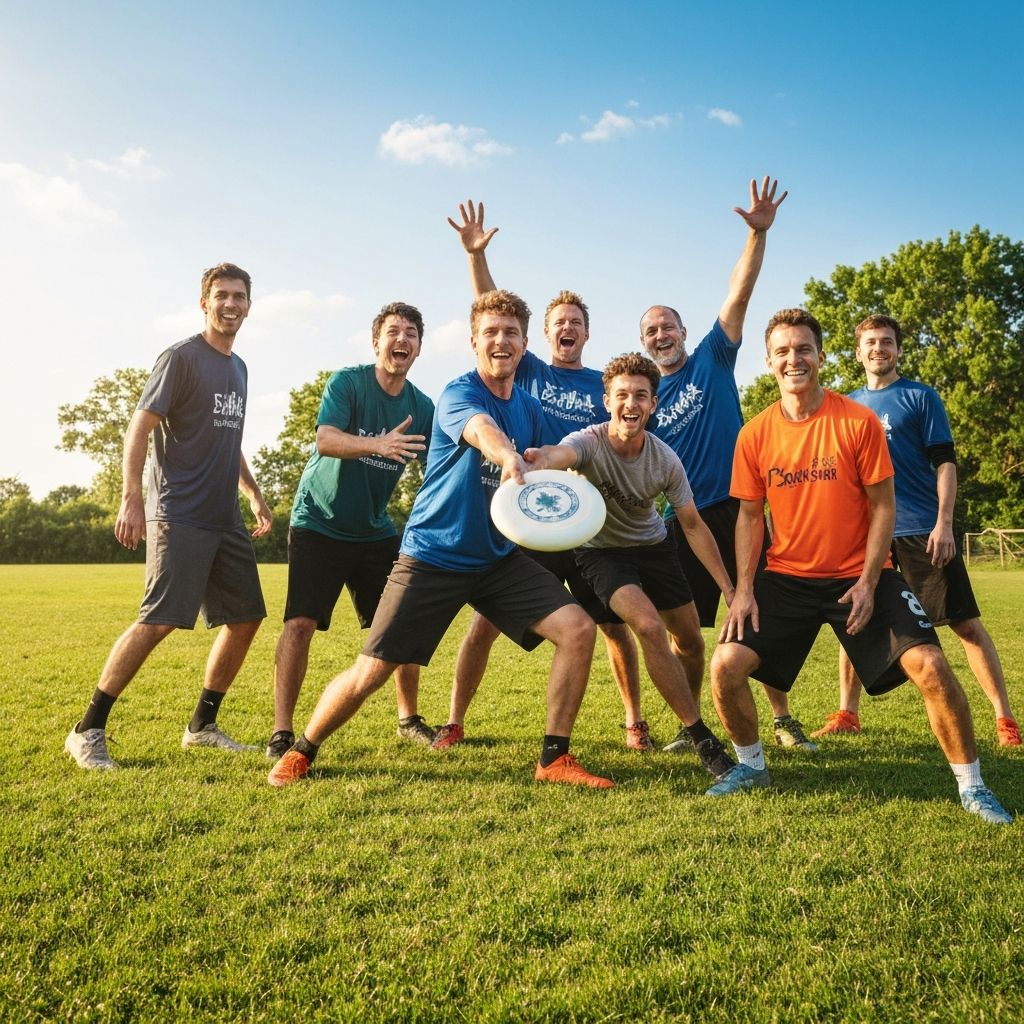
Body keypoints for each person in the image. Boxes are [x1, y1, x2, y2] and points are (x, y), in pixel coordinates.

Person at [268, 289, 613, 789]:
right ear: (473, 341)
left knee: (578, 629)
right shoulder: (458, 394)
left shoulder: (529, 407)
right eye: (490, 332)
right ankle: (303, 749)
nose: (501, 341)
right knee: (372, 671)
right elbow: (480, 429)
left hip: (495, 558)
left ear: (524, 345)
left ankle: (553, 759)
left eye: (511, 333)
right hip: (434, 554)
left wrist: (556, 467)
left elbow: (548, 458)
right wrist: (505, 454)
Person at [707, 308, 1012, 824]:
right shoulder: (754, 434)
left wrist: (870, 581)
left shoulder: (857, 420)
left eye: (803, 349)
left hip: (858, 575)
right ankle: (751, 766)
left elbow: (883, 507)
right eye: (782, 351)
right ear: (769, 361)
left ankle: (973, 786)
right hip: (787, 578)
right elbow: (750, 517)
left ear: (821, 357)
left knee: (932, 666)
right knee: (725, 666)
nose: (794, 359)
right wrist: (743, 591)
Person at [433, 200, 646, 751]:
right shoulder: (528, 369)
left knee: (612, 626)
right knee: (485, 621)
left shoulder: (605, 385)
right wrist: (476, 257)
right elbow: (492, 312)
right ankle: (454, 720)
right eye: (559, 323)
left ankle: (634, 722)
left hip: (590, 520)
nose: (567, 328)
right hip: (533, 515)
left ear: (587, 333)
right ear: (542, 336)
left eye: (576, 322)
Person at [65, 262, 272, 769]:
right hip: (179, 513)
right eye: (221, 295)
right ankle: (87, 729)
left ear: (249, 305)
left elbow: (230, 439)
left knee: (246, 618)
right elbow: (139, 428)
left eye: (239, 296)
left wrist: (253, 492)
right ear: (204, 303)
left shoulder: (240, 369)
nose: (231, 304)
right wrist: (131, 498)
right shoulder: (180, 358)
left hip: (224, 517)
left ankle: (201, 726)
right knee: (158, 620)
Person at [640, 177, 813, 753]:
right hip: (682, 522)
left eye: (667, 326)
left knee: (756, 618)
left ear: (685, 332)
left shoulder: (712, 357)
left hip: (742, 510)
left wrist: (756, 235)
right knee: (685, 635)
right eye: (650, 332)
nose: (660, 335)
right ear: (645, 345)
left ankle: (782, 719)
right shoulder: (644, 398)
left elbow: (740, 290)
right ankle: (692, 726)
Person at [525, 353, 738, 782]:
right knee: (648, 626)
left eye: (641, 396)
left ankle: (685, 723)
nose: (631, 404)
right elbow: (560, 453)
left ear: (653, 404)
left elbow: (693, 526)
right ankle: (704, 739)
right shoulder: (589, 441)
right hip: (602, 553)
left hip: (654, 547)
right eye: (622, 395)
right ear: (607, 401)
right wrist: (539, 459)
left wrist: (730, 590)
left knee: (690, 641)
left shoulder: (665, 460)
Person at [812, 314, 1020, 746]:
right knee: (854, 619)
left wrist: (944, 523)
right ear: (858, 352)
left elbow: (945, 463)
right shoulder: (846, 407)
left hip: (922, 531)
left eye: (887, 341)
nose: (879, 348)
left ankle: (1005, 720)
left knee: (965, 625)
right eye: (871, 342)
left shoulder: (921, 397)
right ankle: (848, 713)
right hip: (868, 538)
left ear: (898, 350)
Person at [265, 302, 436, 761]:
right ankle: (282, 731)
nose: (402, 340)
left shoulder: (422, 407)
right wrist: (378, 444)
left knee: (399, 621)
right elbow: (325, 439)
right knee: (300, 624)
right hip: (318, 521)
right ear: (376, 341)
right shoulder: (348, 383)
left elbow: (441, 463)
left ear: (419, 348)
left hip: (374, 531)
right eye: (393, 331)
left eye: (411, 334)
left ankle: (408, 719)